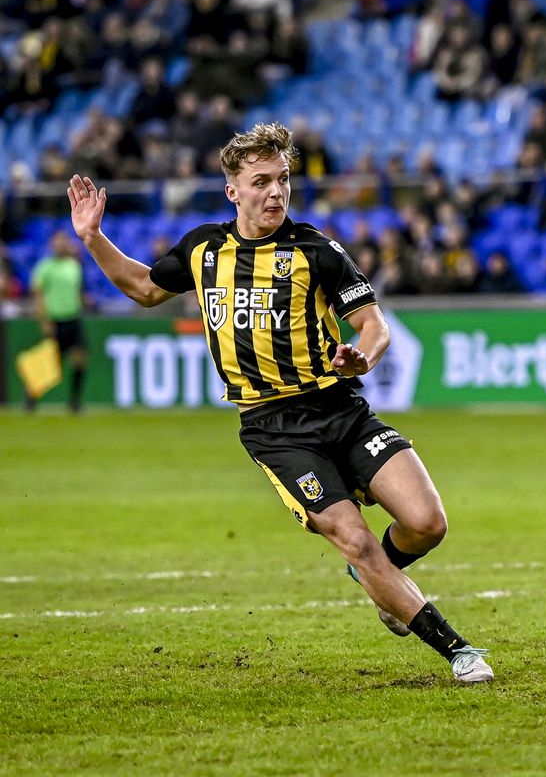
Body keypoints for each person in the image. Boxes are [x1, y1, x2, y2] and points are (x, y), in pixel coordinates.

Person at [66, 122, 493, 684]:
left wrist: (362, 357)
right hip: (275, 430)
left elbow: (374, 324)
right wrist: (93, 238)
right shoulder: (203, 249)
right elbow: (145, 288)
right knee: (356, 541)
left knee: (428, 523)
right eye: (261, 181)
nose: (275, 192)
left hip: (340, 409)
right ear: (233, 191)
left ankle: (377, 576)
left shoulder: (316, 250)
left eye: (283, 180)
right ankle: (458, 650)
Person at [28, 230, 88, 413]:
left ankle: (74, 402)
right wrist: (44, 321)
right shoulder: (45, 267)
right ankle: (30, 397)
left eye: (64, 241)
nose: (61, 244)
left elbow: (77, 291)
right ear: (51, 245)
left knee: (80, 360)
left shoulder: (74, 266)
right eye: (58, 241)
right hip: (56, 321)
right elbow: (38, 295)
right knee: (50, 364)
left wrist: (84, 301)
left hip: (73, 319)